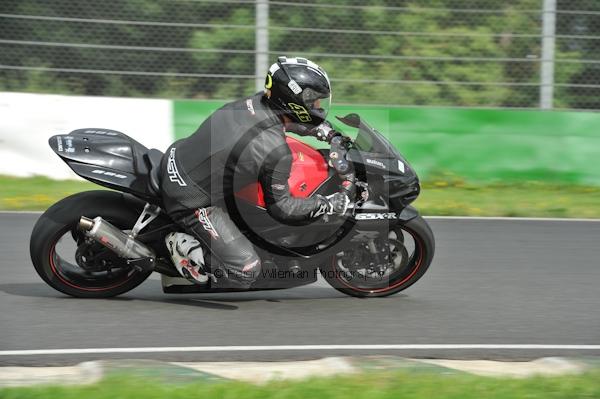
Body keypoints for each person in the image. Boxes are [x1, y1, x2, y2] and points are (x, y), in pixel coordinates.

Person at [161, 56, 352, 288]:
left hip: (180, 158)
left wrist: (327, 133)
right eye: (313, 101)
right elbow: (283, 208)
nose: (318, 108)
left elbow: (285, 121)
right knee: (246, 271)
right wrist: (327, 204)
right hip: (190, 198)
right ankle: (181, 247)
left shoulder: (255, 103)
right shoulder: (275, 151)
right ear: (293, 100)